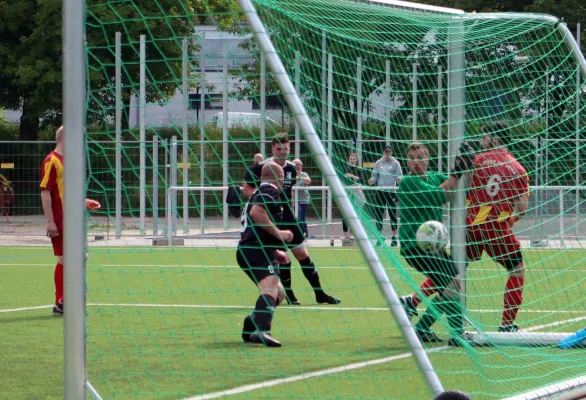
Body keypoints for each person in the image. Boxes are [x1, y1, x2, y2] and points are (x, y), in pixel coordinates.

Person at [401, 123, 529, 332]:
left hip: (469, 228)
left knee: (452, 274)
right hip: (497, 230)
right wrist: (509, 221)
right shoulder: (519, 170)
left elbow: (463, 185)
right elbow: (522, 208)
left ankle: (414, 303)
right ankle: (506, 325)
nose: (481, 141)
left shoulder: (476, 161)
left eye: (485, 137)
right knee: (517, 269)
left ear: (495, 139)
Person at [243, 135, 340, 306]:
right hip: (271, 220)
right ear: (273, 149)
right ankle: (290, 294)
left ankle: (319, 293)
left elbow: (289, 192)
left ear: (289, 150)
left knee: (303, 254)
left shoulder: (292, 169)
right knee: (283, 258)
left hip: (288, 217)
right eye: (279, 149)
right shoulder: (261, 168)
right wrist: (262, 201)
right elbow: (247, 188)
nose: (282, 152)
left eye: (285, 149)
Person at [397, 142, 473, 345]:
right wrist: (457, 170)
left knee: (451, 285)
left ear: (427, 158)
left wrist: (466, 164)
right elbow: (441, 195)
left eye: (420, 157)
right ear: (407, 162)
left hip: (433, 246)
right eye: (412, 158)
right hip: (415, 247)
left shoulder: (433, 177)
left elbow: (459, 184)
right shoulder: (408, 182)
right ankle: (457, 336)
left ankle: (422, 328)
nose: (416, 162)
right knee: (452, 284)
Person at [40, 125, 101, 316]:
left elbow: (66, 193)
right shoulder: (52, 161)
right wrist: (50, 221)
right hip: (61, 221)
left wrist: (84, 202)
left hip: (73, 219)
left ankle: (63, 302)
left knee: (79, 258)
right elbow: (46, 192)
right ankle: (62, 302)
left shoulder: (68, 161)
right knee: (68, 259)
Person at [237, 162, 291, 347]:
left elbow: (253, 226)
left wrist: (275, 251)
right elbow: (257, 213)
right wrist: (280, 234)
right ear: (279, 178)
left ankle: (251, 322)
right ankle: (263, 330)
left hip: (252, 248)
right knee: (270, 287)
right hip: (254, 249)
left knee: (279, 294)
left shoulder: (258, 192)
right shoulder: (270, 189)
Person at [368, 145, 403, 247]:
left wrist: (399, 179)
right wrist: (371, 180)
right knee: (379, 213)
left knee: (392, 213)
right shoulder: (378, 163)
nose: (387, 153)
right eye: (386, 151)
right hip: (380, 191)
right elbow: (374, 175)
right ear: (383, 152)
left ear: (392, 153)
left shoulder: (396, 163)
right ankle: (379, 236)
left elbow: (400, 174)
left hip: (391, 191)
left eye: (389, 151)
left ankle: (394, 237)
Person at [342, 153, 367, 241]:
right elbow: (342, 179)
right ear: (348, 160)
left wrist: (352, 176)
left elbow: (361, 180)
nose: (352, 160)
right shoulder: (345, 168)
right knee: (345, 213)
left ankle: (356, 233)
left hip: (356, 192)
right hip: (347, 192)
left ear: (356, 160)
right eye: (351, 159)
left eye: (354, 159)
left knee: (357, 213)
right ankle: (346, 235)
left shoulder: (359, 169)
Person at [292, 159, 311, 230]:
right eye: (295, 165)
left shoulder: (304, 174)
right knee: (293, 219)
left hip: (302, 200)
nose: (297, 166)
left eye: (298, 165)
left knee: (301, 218)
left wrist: (299, 177)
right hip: (292, 201)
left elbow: (308, 181)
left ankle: (303, 234)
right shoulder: (290, 175)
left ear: (301, 166)